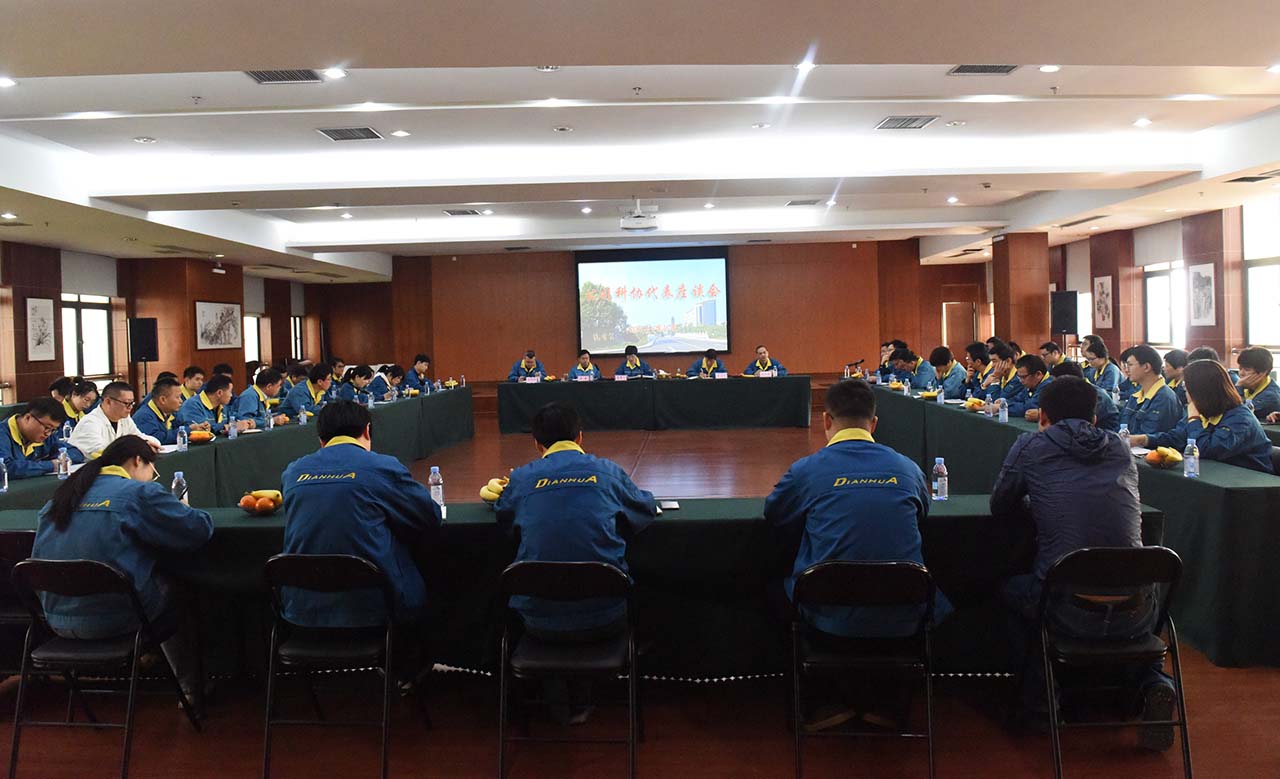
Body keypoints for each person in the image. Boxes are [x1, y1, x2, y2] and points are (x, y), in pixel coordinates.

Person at [990, 376, 1176, 746]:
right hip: (1137, 610)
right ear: (1094, 418)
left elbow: (1000, 504)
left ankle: (1040, 706)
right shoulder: (1120, 447)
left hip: (1066, 608)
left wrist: (1036, 501)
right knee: (1141, 606)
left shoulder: (1031, 445)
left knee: (1009, 592)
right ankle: (1153, 682)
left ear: (1043, 416)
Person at [765, 379, 951, 639]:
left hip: (826, 620)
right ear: (873, 423)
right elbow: (922, 514)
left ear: (826, 420)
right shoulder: (908, 469)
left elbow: (775, 514)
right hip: (907, 616)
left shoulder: (805, 471)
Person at [32, 436, 214, 699]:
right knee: (179, 583)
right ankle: (191, 689)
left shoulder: (60, 498)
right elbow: (198, 530)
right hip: (115, 620)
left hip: (56, 620)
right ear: (138, 461)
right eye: (152, 471)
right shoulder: (138, 494)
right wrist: (182, 508)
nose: (151, 478)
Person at [495, 401, 656, 636]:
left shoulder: (521, 478)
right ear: (579, 437)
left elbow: (505, 519)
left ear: (537, 444)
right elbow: (645, 509)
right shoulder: (607, 471)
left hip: (538, 624)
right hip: (607, 616)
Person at [281, 400, 442, 631]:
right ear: (367, 430)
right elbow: (429, 516)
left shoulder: (293, 472)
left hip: (301, 609)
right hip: (374, 607)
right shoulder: (382, 467)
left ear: (321, 439)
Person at [1131, 360, 1274, 473]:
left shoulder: (1240, 418)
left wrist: (1194, 419)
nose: (1186, 394)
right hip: (1218, 474)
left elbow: (1205, 450)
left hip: (1249, 483)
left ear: (1202, 392)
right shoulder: (1206, 410)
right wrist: (1143, 439)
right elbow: (1177, 438)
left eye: (1187, 389)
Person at [68, 381, 161, 457]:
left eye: (132, 403)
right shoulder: (90, 422)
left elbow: (139, 436)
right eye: (126, 403)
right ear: (108, 401)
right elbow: (101, 451)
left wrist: (146, 443)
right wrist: (138, 448)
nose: (130, 407)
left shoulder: (124, 419)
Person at [0, 398, 84, 478]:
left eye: (53, 430)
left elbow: (75, 453)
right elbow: (5, 468)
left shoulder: (46, 436)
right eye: (47, 427)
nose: (48, 433)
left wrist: (58, 460)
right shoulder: (2, 434)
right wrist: (50, 465)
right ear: (27, 418)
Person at [1119, 345, 1183, 435]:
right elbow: (1122, 426)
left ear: (1146, 367)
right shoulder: (1135, 396)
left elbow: (1148, 437)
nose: (1126, 370)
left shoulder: (1164, 398)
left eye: (1130, 365)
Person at [1051, 361, 1120, 432]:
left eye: (1057, 382)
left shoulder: (1096, 395)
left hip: (1106, 433)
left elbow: (1081, 421)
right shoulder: (1077, 391)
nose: (1055, 386)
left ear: (1069, 381)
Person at [176, 374, 251, 436]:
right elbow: (202, 430)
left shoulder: (222, 406)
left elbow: (233, 419)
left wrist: (248, 422)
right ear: (219, 393)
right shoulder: (192, 405)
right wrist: (226, 427)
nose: (231, 395)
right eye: (230, 392)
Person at [131, 376, 185, 446]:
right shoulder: (144, 416)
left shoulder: (171, 412)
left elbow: (182, 425)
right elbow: (157, 438)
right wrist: (187, 431)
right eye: (177, 397)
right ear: (163, 400)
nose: (181, 401)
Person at [1236, 346, 1280, 420]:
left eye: (1247, 370)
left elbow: (1240, 415)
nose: (1241, 373)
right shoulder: (1247, 387)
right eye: (1240, 369)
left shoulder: (1271, 397)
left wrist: (1238, 387)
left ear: (1263, 372)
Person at [983, 343, 1028, 409]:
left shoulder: (1018, 378)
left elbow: (996, 402)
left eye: (994, 361)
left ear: (1008, 361)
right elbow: (981, 399)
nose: (992, 365)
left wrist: (995, 381)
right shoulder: (1001, 374)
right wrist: (984, 385)